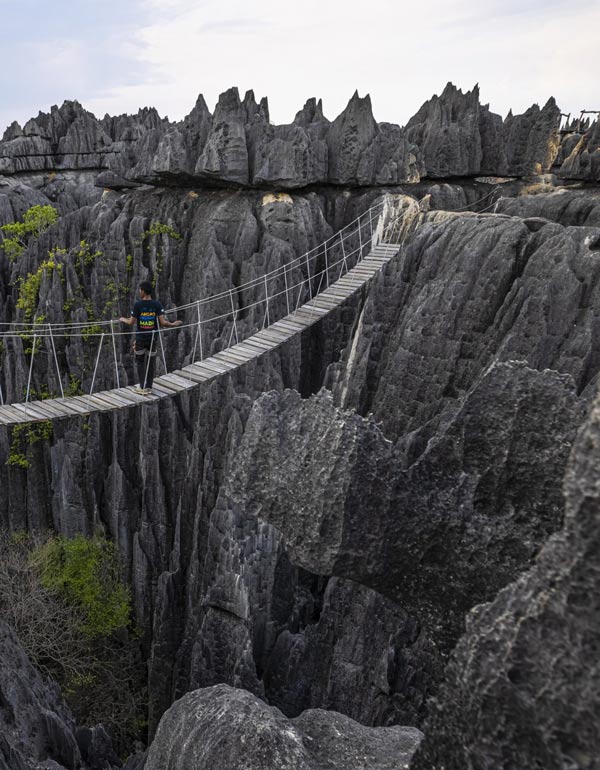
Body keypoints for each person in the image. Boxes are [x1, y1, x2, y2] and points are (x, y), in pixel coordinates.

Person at [119, 281, 182, 394]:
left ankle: (142, 387)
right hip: (152, 338)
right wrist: (173, 324)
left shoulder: (138, 305)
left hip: (141, 339)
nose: (139, 292)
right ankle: (149, 386)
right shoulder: (157, 304)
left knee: (140, 361)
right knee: (150, 362)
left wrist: (123, 319)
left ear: (143, 291)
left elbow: (131, 322)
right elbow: (163, 322)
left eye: (140, 290)